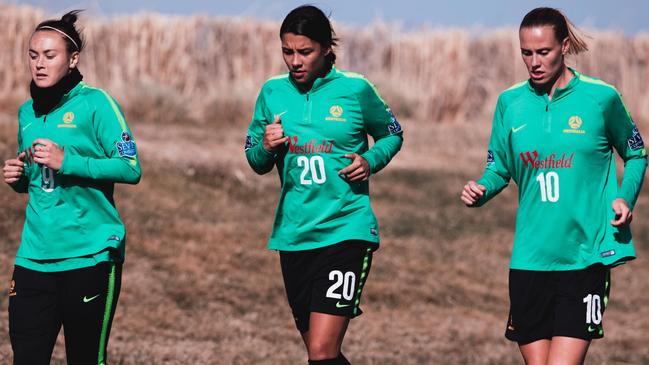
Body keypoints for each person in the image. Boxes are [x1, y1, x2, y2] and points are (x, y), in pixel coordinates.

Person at [461, 7, 647, 365]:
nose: (534, 62)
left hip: (584, 258)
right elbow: (499, 166)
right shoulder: (509, 103)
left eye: (543, 52)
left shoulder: (601, 98)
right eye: (526, 53)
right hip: (529, 260)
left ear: (563, 46)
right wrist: (482, 188)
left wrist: (625, 198)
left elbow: (637, 153)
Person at [244, 5, 403, 365]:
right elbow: (254, 160)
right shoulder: (271, 93)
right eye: (287, 52)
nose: (295, 61)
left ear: (326, 48)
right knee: (320, 353)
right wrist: (266, 147)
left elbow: (393, 133)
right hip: (295, 235)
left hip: (346, 230)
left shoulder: (356, 89)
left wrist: (370, 161)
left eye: (305, 52)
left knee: (321, 351)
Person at [2, 10, 141, 365]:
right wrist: (20, 179)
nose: (39, 64)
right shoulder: (26, 114)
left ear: (73, 58)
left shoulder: (97, 104)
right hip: (34, 258)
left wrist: (70, 162)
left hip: (89, 256)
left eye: (50, 56)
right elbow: (41, 182)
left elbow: (130, 167)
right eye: (33, 55)